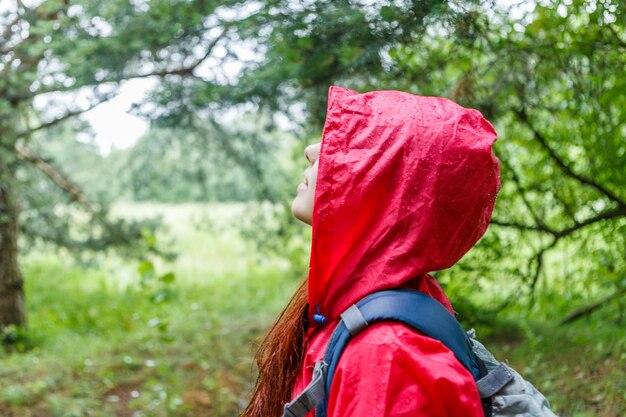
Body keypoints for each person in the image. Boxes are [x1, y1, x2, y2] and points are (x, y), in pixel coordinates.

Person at [241, 86, 501, 417]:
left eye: (348, 144)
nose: (312, 150)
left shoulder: (386, 356)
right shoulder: (361, 306)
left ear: (392, 190)